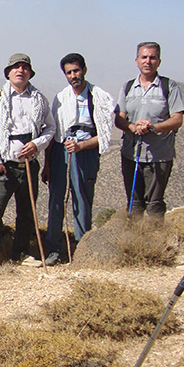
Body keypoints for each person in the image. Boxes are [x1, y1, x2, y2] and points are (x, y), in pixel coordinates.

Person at [0, 53, 55, 271]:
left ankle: (20, 253)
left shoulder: (39, 99)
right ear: (8, 72)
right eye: (16, 67)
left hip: (29, 164)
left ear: (30, 72)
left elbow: (50, 128)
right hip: (4, 165)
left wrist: (37, 144)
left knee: (27, 213)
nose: (20, 71)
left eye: (25, 67)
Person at [43, 53, 115, 264]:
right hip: (60, 152)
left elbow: (103, 135)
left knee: (82, 200)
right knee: (56, 200)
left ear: (84, 69)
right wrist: (47, 163)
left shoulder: (99, 97)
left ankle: (83, 249)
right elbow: (53, 131)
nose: (73, 75)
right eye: (69, 72)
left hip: (86, 153)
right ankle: (54, 250)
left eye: (76, 70)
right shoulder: (61, 98)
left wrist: (81, 145)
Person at [114, 42, 184, 220]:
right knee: (134, 202)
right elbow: (119, 119)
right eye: (144, 57)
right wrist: (133, 127)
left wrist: (152, 127)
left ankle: (154, 241)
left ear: (159, 61)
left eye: (152, 57)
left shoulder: (169, 86)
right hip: (132, 154)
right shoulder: (128, 87)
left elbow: (177, 119)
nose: (148, 61)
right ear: (136, 60)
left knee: (155, 204)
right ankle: (134, 241)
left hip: (160, 155)